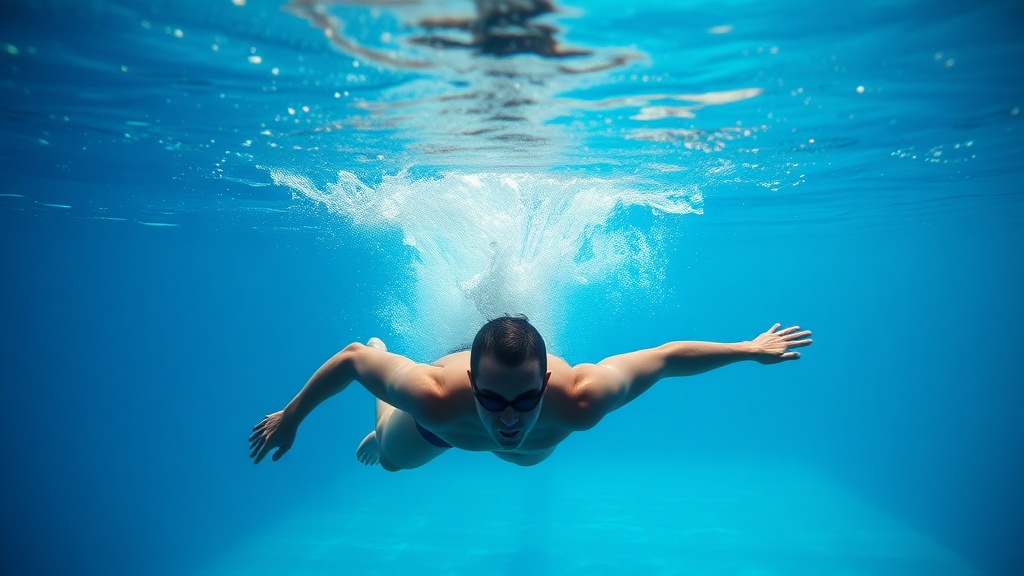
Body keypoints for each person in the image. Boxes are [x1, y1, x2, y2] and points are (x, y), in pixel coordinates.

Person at [249, 316, 811, 470]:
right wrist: (294, 417)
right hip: (440, 432)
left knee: (522, 456)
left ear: (546, 384)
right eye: (492, 399)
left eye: (525, 399)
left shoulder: (583, 397)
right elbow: (352, 358)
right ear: (473, 385)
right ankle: (382, 409)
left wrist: (747, 348)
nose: (508, 417)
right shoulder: (439, 397)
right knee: (390, 461)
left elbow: (663, 360)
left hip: (534, 446)